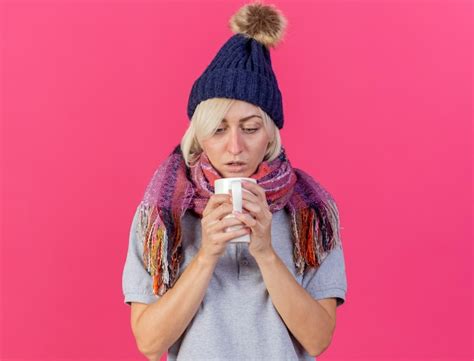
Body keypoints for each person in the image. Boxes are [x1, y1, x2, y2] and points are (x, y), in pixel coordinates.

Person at [122, 2, 348, 361]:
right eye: (218, 129)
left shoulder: (312, 214)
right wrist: (207, 253)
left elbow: (318, 340)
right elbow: (150, 343)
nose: (235, 147)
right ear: (199, 136)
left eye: (250, 128)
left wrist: (265, 252)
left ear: (270, 135)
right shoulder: (162, 215)